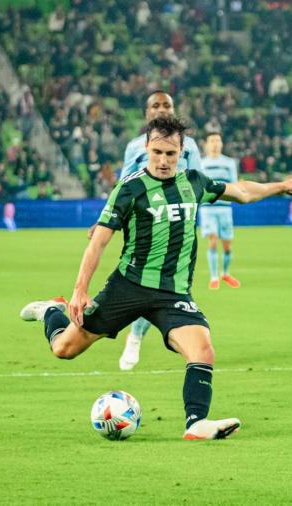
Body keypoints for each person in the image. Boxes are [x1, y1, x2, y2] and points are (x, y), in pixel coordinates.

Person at [20, 116, 292, 440]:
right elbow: (99, 240)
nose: (163, 160)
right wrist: (79, 290)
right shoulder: (130, 189)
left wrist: (281, 186)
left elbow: (241, 191)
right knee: (64, 349)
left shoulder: (194, 183)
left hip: (173, 294)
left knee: (203, 350)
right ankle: (50, 311)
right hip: (127, 287)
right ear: (146, 148)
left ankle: (196, 422)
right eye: (157, 152)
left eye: (171, 154)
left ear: (182, 152)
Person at [88, 90, 202, 371]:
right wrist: (105, 218)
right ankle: (132, 333)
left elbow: (199, 182)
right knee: (143, 279)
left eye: (167, 105)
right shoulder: (135, 146)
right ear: (146, 113)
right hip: (143, 223)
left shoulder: (190, 146)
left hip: (177, 226)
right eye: (155, 105)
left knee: (162, 283)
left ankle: (136, 335)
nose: (161, 109)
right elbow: (124, 182)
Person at [198, 132, 240, 289]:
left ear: (221, 144)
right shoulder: (201, 163)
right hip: (208, 208)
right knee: (213, 240)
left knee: (227, 244)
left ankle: (226, 274)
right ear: (206, 145)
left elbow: (234, 184)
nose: (215, 143)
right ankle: (214, 276)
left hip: (225, 208)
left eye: (217, 140)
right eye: (212, 141)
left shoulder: (229, 163)